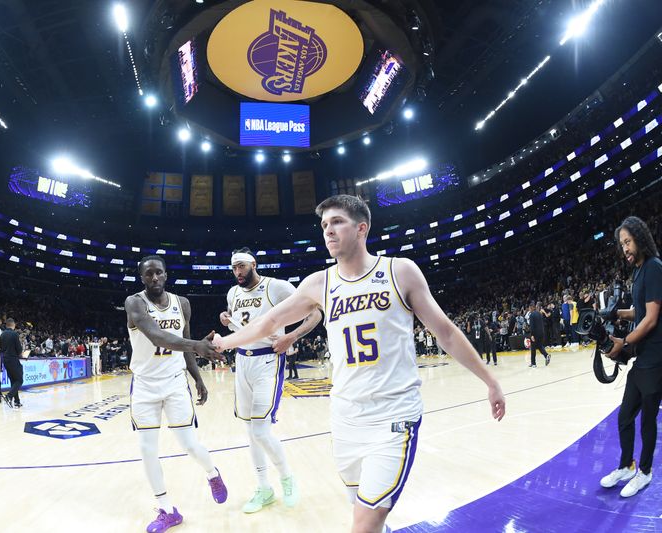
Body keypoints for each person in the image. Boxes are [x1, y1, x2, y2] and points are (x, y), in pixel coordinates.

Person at [213, 195, 505, 533]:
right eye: (324, 225)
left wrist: (490, 381)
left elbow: (447, 333)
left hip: (394, 415)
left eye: (337, 222)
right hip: (345, 418)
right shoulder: (319, 283)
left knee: (363, 522)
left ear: (362, 227)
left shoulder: (400, 271)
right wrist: (225, 342)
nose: (328, 231)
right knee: (363, 509)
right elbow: (267, 322)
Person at [126, 255, 228, 532]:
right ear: (142, 278)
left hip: (174, 382)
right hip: (144, 385)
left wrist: (199, 380)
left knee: (189, 444)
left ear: (166, 275)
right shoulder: (135, 302)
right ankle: (167, 509)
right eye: (149, 274)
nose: (154, 278)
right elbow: (157, 337)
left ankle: (213, 474)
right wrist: (196, 345)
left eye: (159, 273)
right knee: (148, 450)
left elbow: (184, 346)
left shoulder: (182, 303)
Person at [219, 248, 322, 513]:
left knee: (261, 430)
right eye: (233, 268)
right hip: (242, 361)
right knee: (251, 432)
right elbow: (242, 327)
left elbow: (315, 313)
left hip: (268, 360)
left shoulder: (277, 287)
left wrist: (292, 336)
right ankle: (264, 488)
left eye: (241, 266)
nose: (237, 272)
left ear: (253, 263)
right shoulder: (233, 293)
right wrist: (227, 321)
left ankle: (287, 478)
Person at [601, 216, 662, 498]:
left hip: (656, 358)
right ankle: (627, 465)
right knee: (626, 416)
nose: (624, 247)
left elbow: (650, 320)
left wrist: (623, 341)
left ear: (639, 238)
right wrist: (619, 313)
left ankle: (645, 472)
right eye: (621, 243)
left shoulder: (653, 268)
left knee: (647, 420)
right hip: (643, 359)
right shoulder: (638, 271)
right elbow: (640, 310)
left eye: (627, 241)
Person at [0, 318, 24, 408]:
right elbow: (19, 349)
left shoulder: (2, 334)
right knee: (19, 380)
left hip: (5, 359)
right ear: (13, 325)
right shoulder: (14, 334)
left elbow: (1, 347)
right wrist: (21, 354)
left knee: (13, 381)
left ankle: (17, 401)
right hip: (13, 359)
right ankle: (9, 396)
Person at [528, 302, 550, 367]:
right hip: (542, 332)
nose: (529, 309)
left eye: (529, 308)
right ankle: (546, 355)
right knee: (539, 346)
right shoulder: (540, 314)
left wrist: (532, 335)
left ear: (532, 307)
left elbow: (532, 326)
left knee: (533, 348)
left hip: (535, 333)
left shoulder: (531, 315)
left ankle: (533, 363)